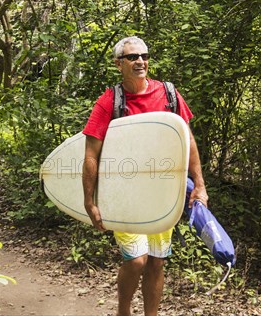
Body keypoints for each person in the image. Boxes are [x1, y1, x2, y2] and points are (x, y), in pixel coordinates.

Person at [82, 36, 209, 316]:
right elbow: (91, 154)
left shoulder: (168, 94)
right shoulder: (109, 102)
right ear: (119, 64)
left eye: (144, 55)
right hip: (125, 193)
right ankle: (123, 312)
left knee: (156, 262)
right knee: (137, 260)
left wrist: (199, 184)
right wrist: (89, 202)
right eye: (132, 57)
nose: (140, 61)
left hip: (162, 191)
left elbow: (187, 140)